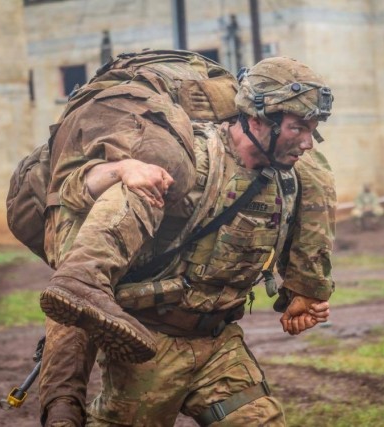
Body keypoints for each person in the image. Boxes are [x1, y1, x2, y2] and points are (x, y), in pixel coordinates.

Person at [38, 55, 336, 426]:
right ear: (260, 118)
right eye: (297, 128)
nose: (308, 143)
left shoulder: (289, 180)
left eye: (313, 129)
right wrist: (123, 170)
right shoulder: (187, 158)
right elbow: (74, 191)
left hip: (220, 345)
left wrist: (300, 298)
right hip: (150, 347)